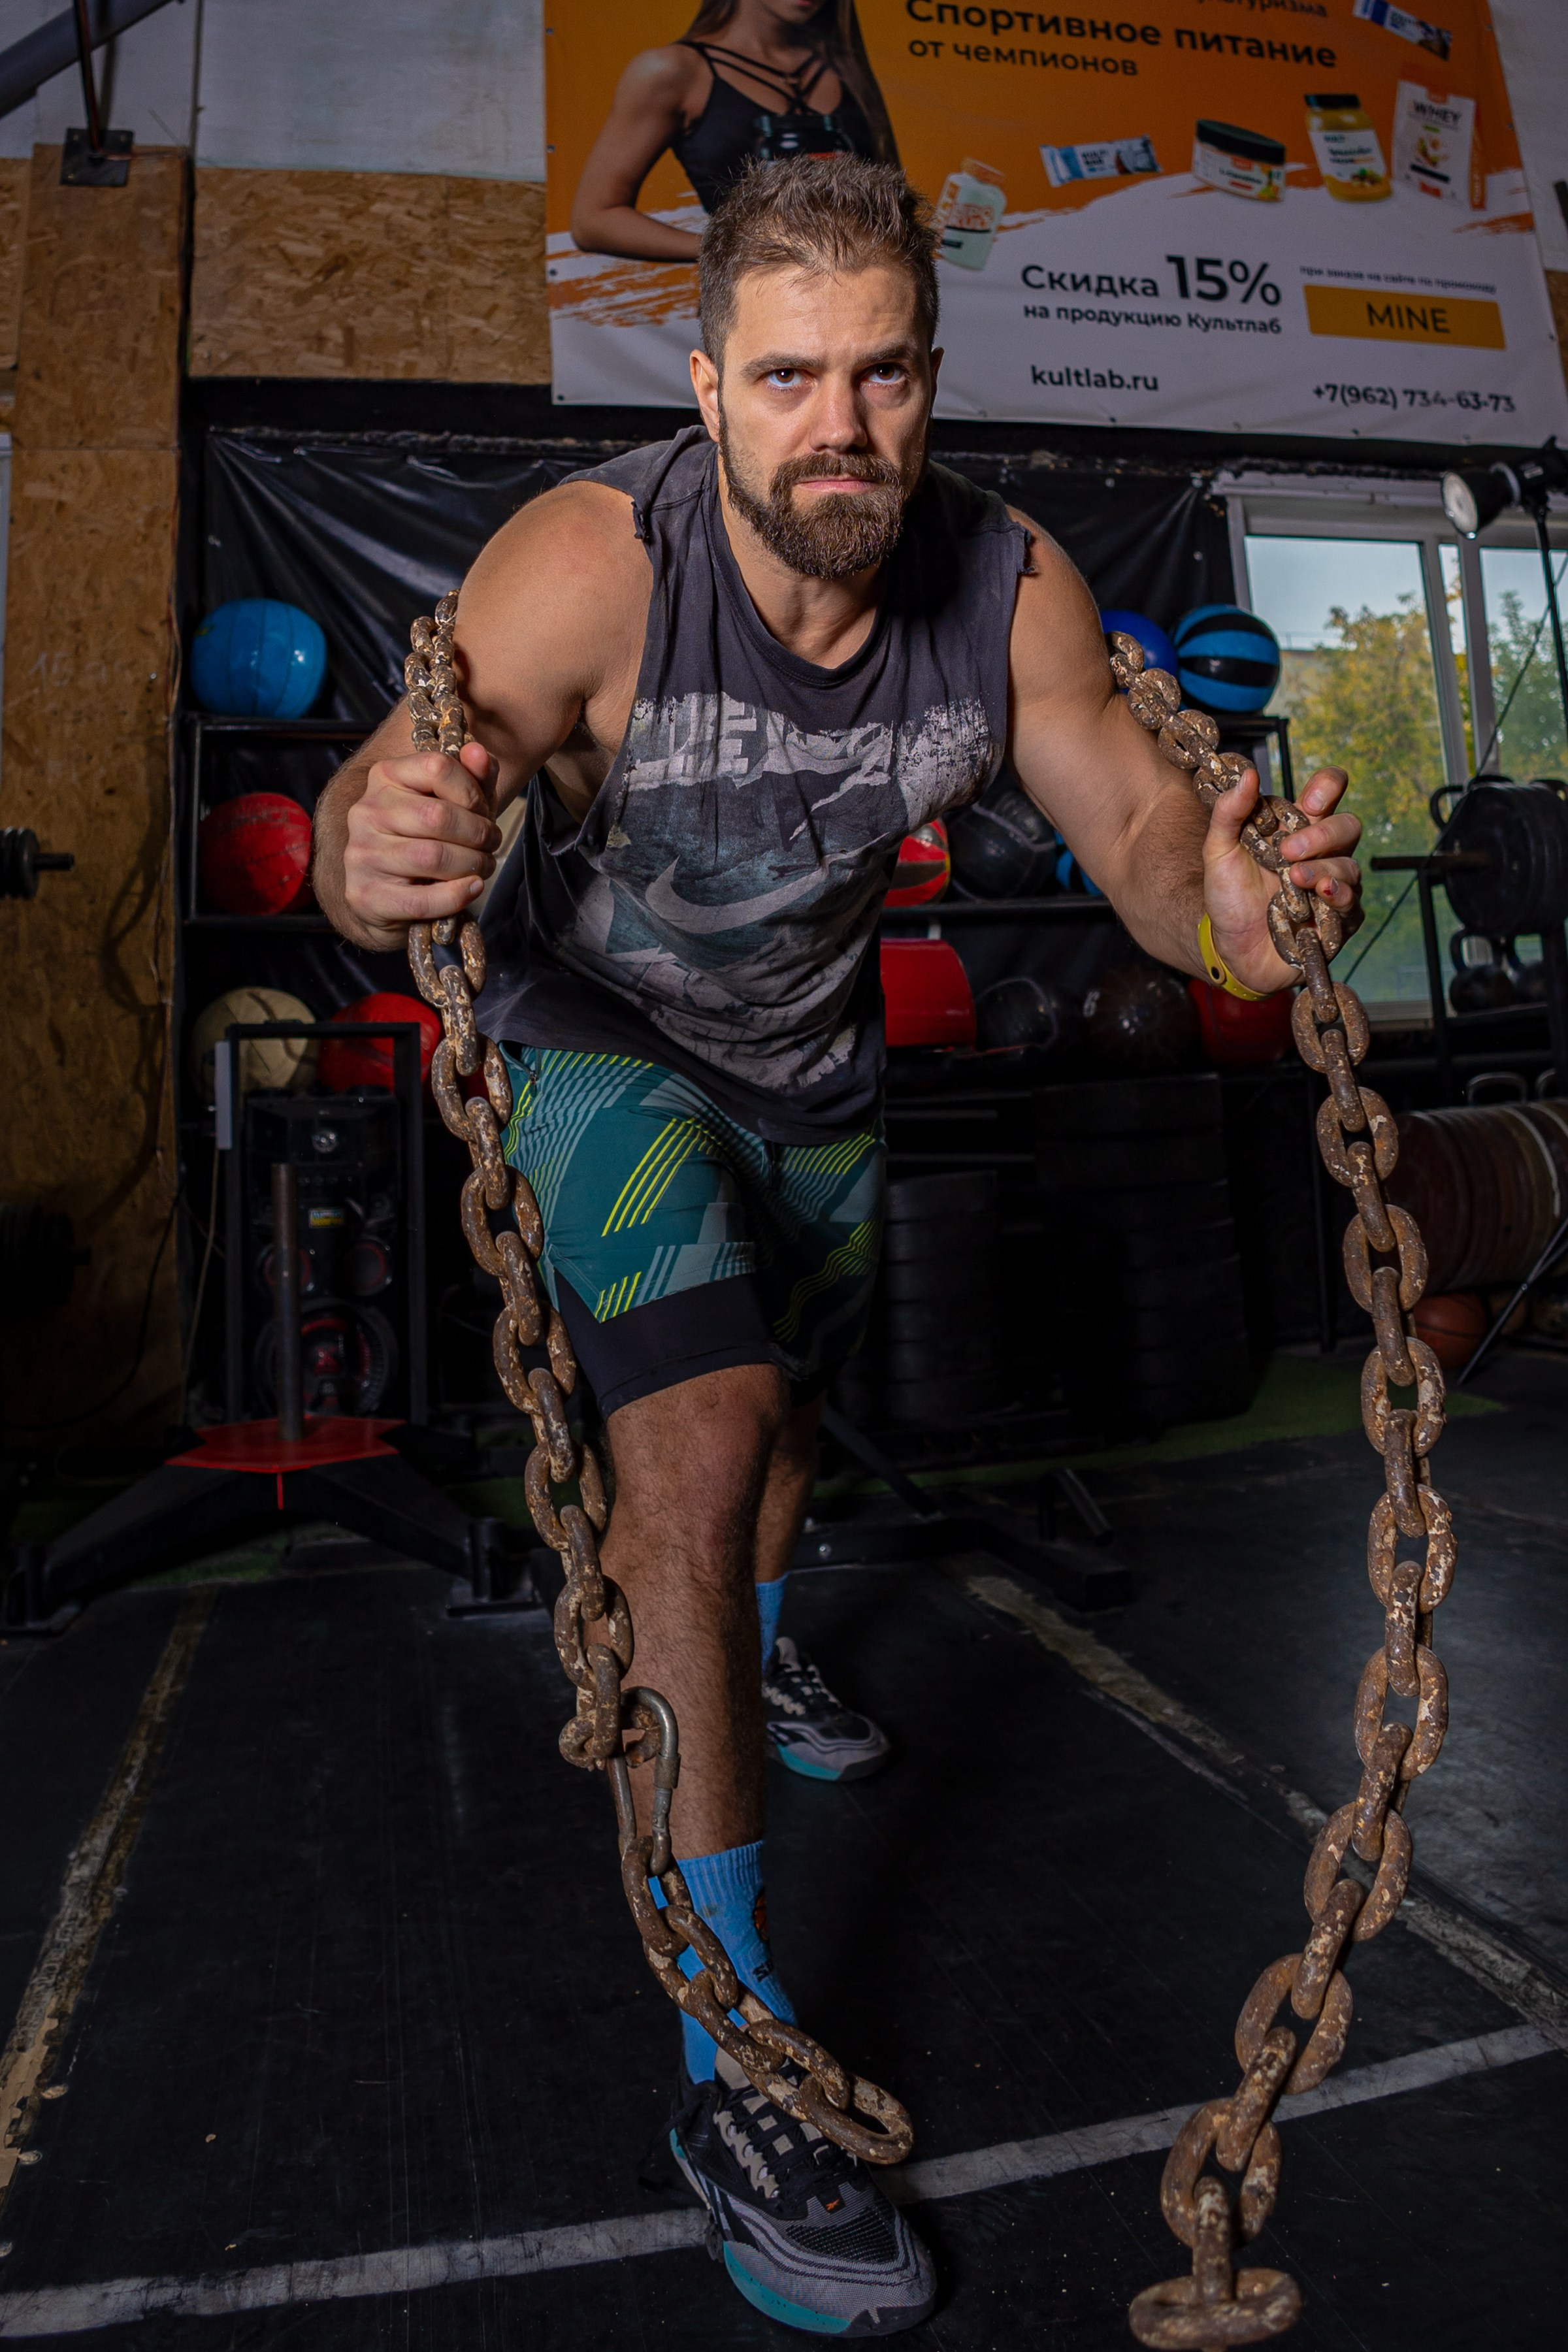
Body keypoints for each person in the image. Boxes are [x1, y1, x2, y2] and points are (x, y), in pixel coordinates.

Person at [312, 154, 1362, 2336]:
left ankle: (753, 1642)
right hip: (594, 1036)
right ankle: (737, 2069)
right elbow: (388, 802)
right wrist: (372, 845)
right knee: (698, 1442)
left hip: (814, 1072)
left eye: (881, 373)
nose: (839, 427)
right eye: (789, 377)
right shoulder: (592, 567)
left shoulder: (1008, 587)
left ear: (931, 377)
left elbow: (1142, 832)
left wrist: (1235, 911)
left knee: (783, 1440)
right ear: (708, 386)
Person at [570, 0, 894, 262]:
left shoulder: (847, 68)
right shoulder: (675, 71)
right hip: (755, 305)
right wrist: (734, 252)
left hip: (860, 298)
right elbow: (594, 221)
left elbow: (891, 200)